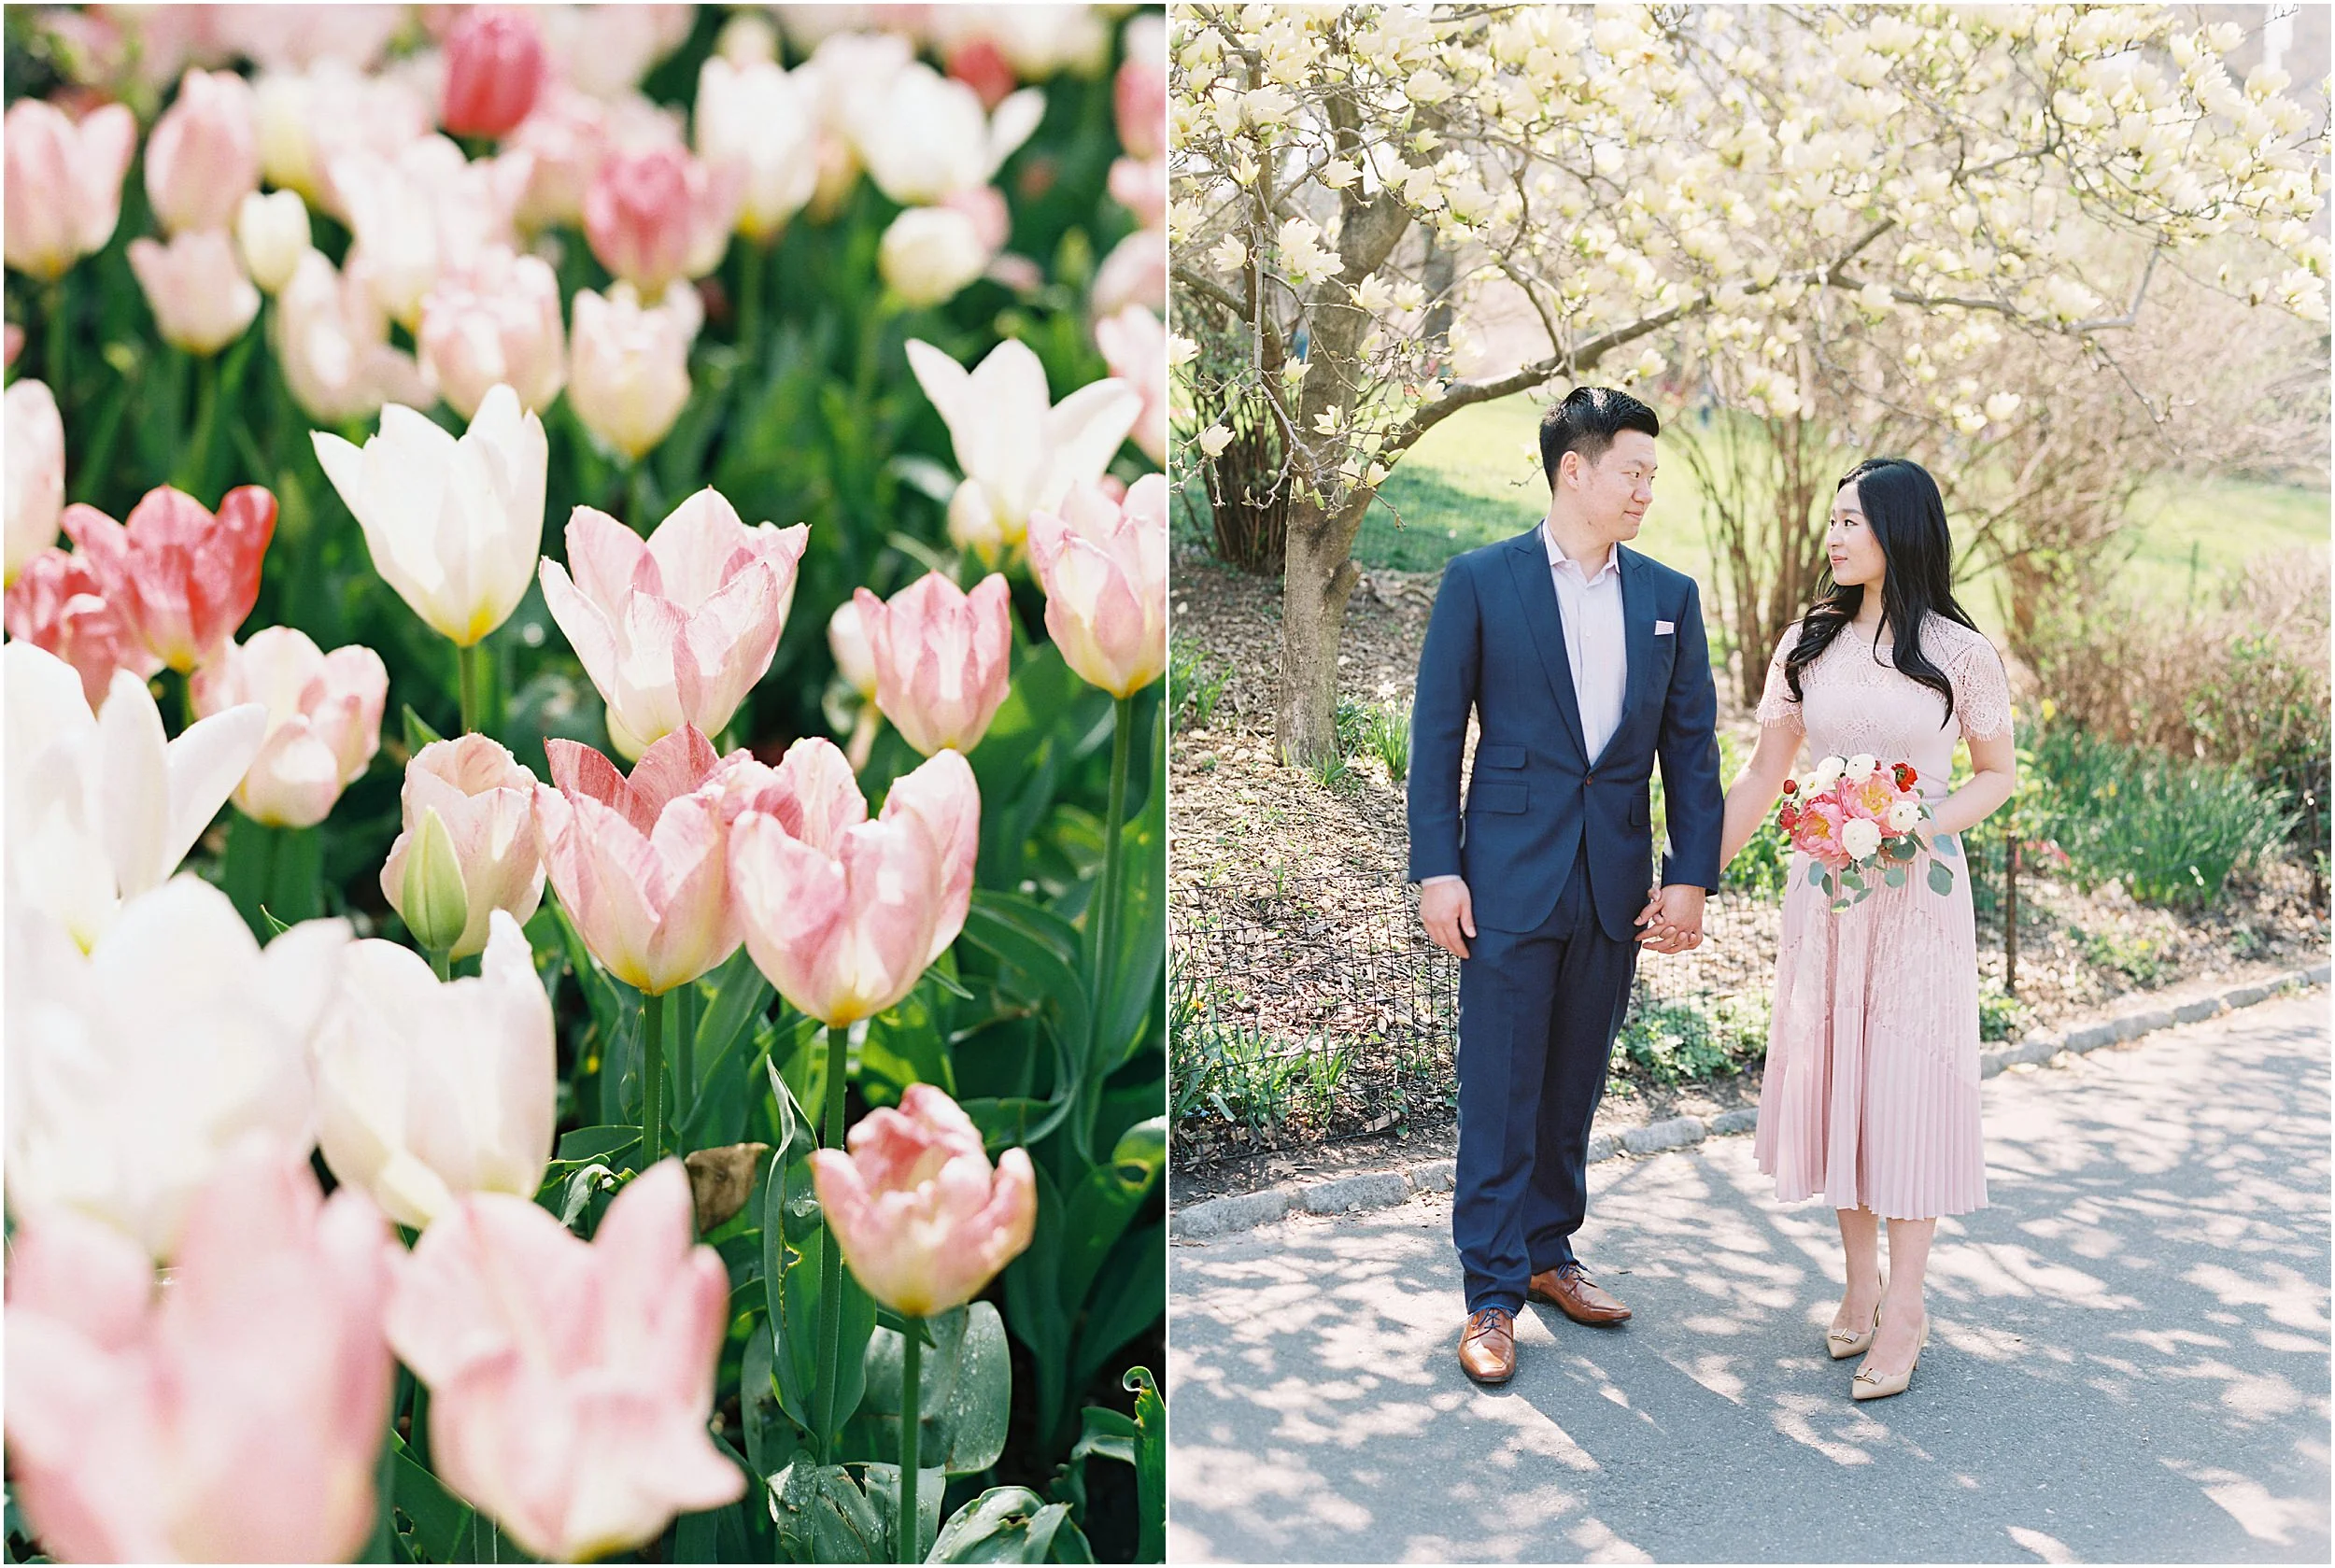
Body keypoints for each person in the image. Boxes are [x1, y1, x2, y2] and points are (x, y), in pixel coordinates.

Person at [1407, 386, 1725, 1385]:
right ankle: (1491, 1292)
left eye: (1650, 476)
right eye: (1631, 470)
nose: (1644, 490)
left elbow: (1694, 750)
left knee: (1574, 1079)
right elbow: (1434, 736)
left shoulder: (1667, 597)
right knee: (1498, 1084)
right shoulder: (1481, 581)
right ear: (1572, 469)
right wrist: (1437, 866)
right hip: (1502, 875)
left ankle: (1549, 1253)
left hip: (1612, 878)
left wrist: (1689, 879)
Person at [1719, 456, 2017, 1402]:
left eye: (1852, 520)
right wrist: (1690, 876)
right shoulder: (1807, 643)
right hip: (1826, 893)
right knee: (1841, 1076)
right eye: (1832, 521)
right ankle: (1856, 1281)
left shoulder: (1960, 654)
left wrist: (1909, 820)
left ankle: (1907, 1305)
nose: (1835, 536)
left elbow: (1993, 774)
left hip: (1918, 898)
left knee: (1905, 1085)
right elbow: (1766, 773)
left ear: (1900, 528)